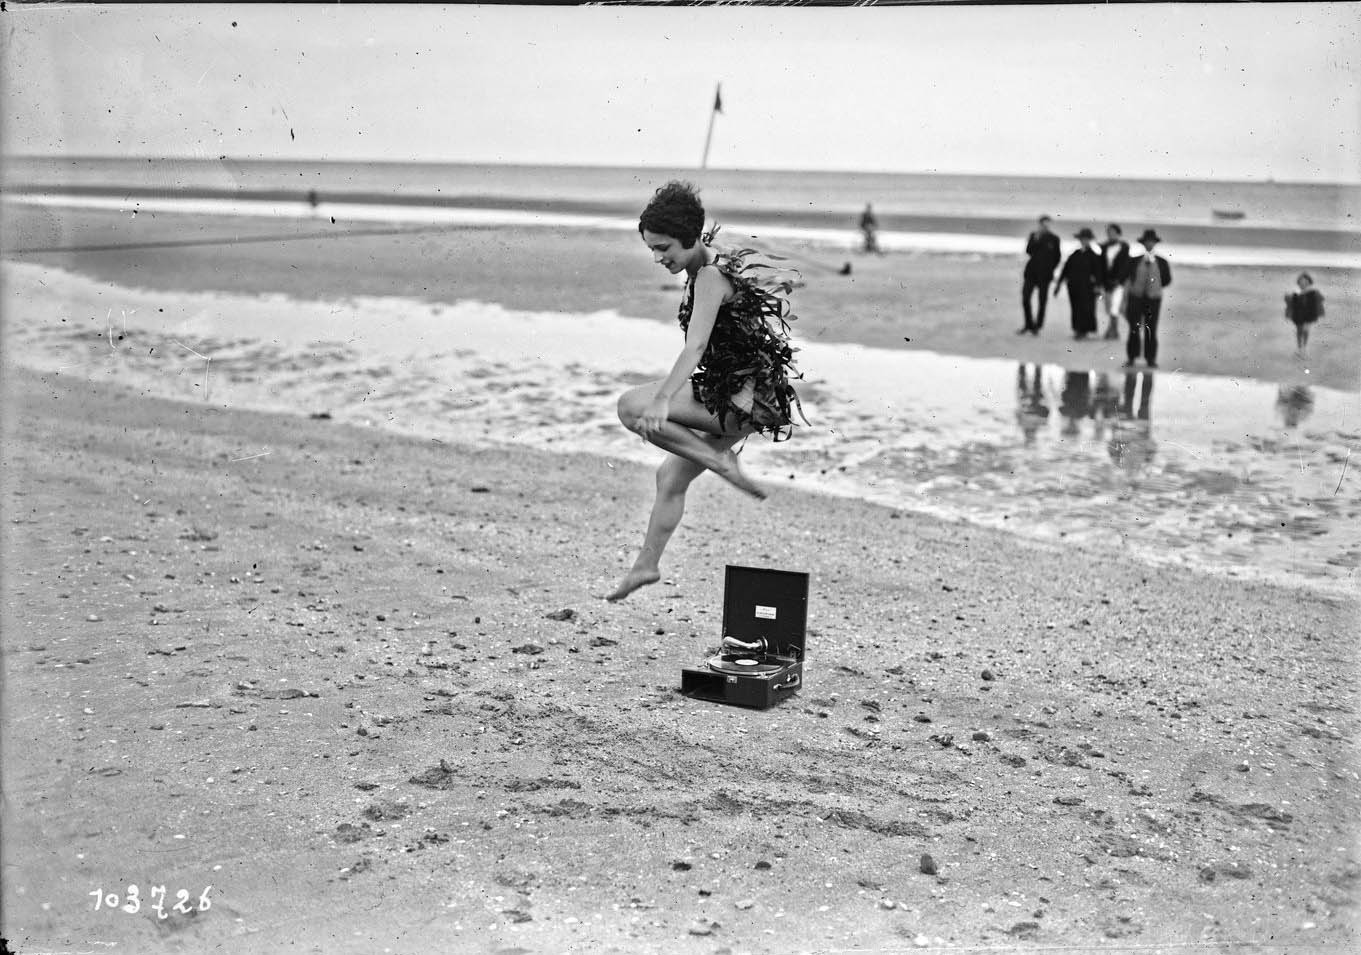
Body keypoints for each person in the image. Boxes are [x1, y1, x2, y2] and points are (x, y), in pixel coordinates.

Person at [607, 181, 804, 602]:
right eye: (653, 250)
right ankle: (645, 566)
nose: (659, 258)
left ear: (692, 237)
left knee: (630, 407)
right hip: (746, 396)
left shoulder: (711, 276)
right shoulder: (707, 263)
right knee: (670, 476)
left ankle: (719, 460)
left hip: (741, 398)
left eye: (665, 249)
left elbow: (695, 346)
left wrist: (663, 400)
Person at [1123, 229, 1172, 368]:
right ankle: (1131, 358)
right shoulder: (1134, 260)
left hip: (1153, 300)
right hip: (1136, 298)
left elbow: (1167, 280)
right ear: (1143, 243)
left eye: (1151, 242)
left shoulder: (1162, 262)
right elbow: (1126, 276)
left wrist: (1154, 288)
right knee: (1134, 328)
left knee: (1151, 329)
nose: (1149, 244)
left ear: (1155, 243)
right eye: (1147, 242)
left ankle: (1150, 359)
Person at [1053, 228, 1104, 340]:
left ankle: (1083, 331)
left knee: (1086, 309)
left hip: (1087, 288)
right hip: (1073, 287)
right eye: (1082, 239)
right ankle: (1077, 329)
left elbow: (1098, 272)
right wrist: (1058, 285)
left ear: (1089, 240)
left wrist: (1098, 286)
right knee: (1075, 308)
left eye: (1086, 239)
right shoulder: (1074, 254)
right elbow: (1065, 270)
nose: (1083, 241)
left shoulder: (1094, 255)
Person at [1020, 215, 1061, 335]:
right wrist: (1036, 239)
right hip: (1031, 272)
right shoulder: (1034, 235)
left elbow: (1057, 257)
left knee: (1042, 301)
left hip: (1045, 274)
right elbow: (1028, 251)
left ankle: (1038, 326)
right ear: (1039, 224)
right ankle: (1028, 324)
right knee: (1025, 298)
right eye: (1043, 224)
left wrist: (1050, 269)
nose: (1045, 226)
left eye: (1047, 224)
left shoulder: (1054, 238)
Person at [1099, 224, 1132, 340]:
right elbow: (1102, 266)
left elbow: (1126, 266)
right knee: (1110, 307)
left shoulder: (1124, 247)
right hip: (1107, 282)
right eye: (1108, 232)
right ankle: (1114, 331)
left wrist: (1119, 280)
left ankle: (1112, 331)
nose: (1110, 234)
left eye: (1113, 232)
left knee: (1116, 306)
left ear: (1118, 233)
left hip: (1120, 282)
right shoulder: (1103, 247)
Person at [1284, 272, 1325, 356]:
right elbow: (1291, 303)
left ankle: (1304, 348)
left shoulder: (1313, 291)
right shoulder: (1296, 292)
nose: (1303, 283)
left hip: (1309, 314)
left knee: (1306, 330)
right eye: (1301, 281)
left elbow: (1321, 299)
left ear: (1309, 282)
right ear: (1298, 282)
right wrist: (1289, 297)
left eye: (1305, 281)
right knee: (1299, 331)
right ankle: (1299, 349)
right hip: (1298, 315)